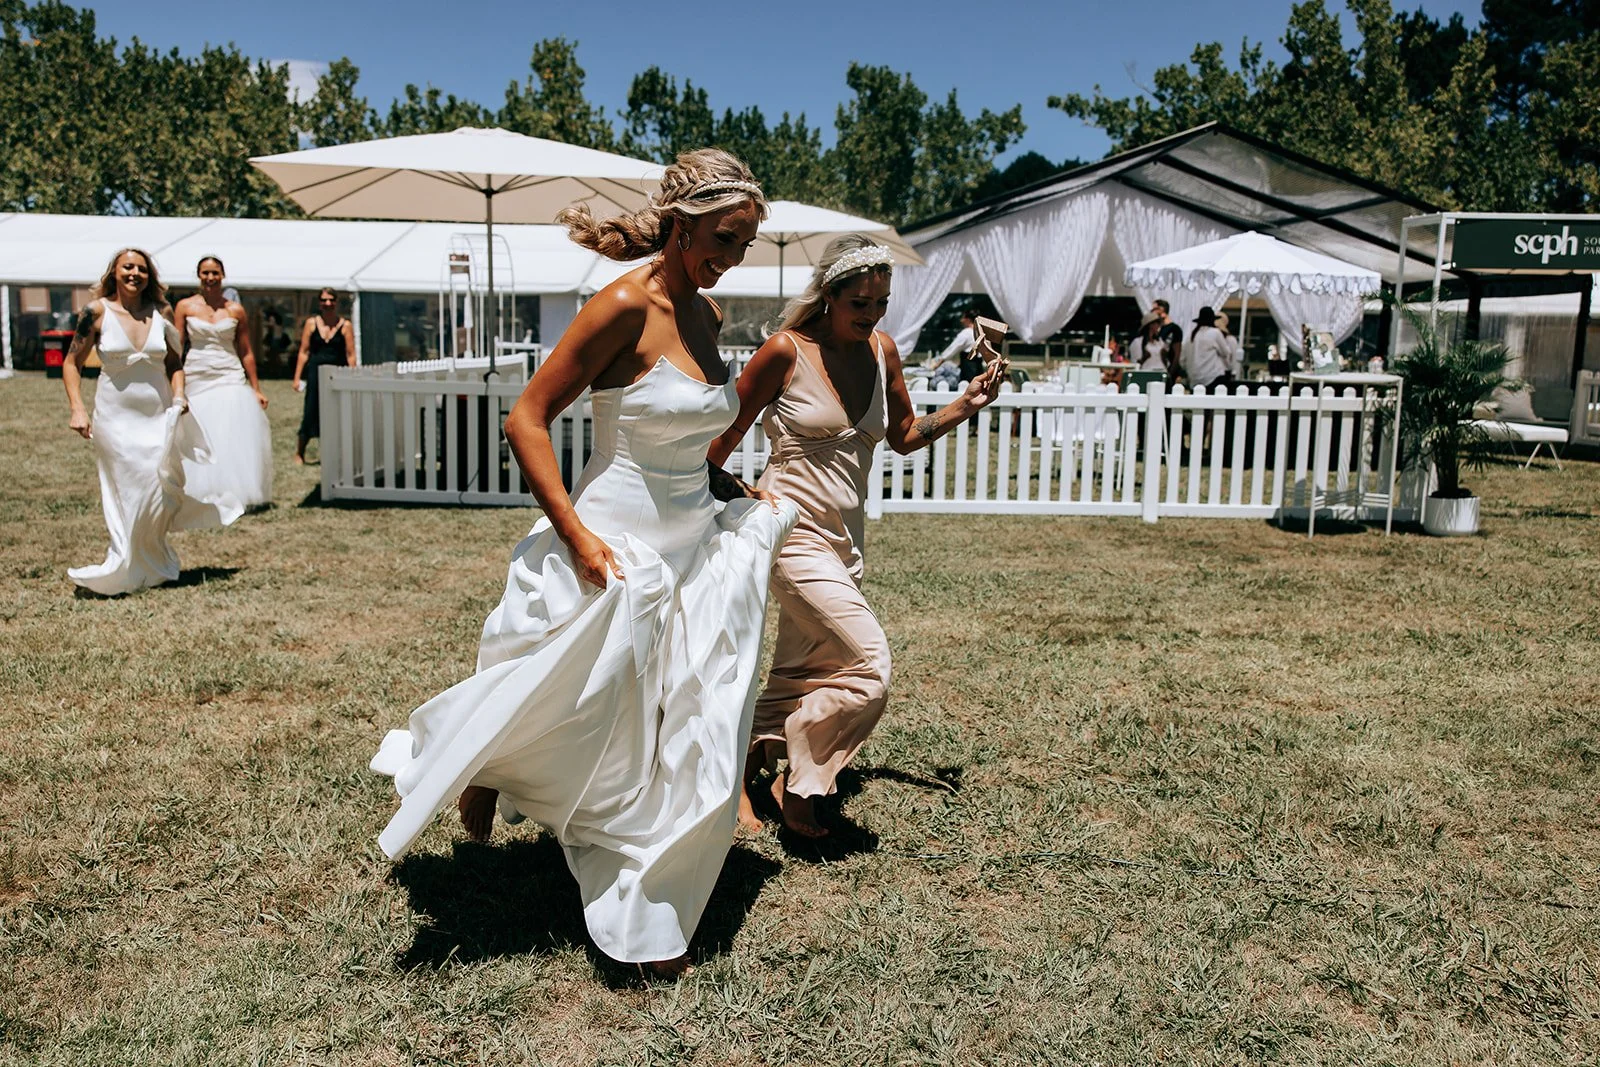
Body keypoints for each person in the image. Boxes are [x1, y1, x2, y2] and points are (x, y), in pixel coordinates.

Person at [369, 149, 799, 977]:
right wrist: (573, 534)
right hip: (613, 541)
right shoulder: (620, 307)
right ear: (680, 224)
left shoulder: (705, 317)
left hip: (690, 539)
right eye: (722, 236)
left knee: (678, 726)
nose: (731, 256)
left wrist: (719, 479)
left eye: (743, 243)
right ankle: (511, 789)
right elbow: (526, 419)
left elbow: (694, 431)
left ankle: (643, 882)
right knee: (595, 716)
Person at [707, 235, 1005, 839]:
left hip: (847, 539)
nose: (871, 315)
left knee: (800, 674)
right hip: (790, 532)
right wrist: (738, 491)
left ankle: (735, 772)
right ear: (828, 296)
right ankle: (800, 785)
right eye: (860, 304)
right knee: (869, 666)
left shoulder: (881, 351)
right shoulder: (784, 351)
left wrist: (966, 404)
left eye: (881, 303)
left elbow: (902, 434)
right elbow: (717, 439)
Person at [63, 248, 240, 595]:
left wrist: (179, 395)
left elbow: (175, 363)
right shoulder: (96, 312)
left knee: (156, 488)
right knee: (127, 490)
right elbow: (72, 362)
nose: (134, 274)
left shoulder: (162, 312)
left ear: (150, 276)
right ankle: (123, 562)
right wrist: (77, 408)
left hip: (158, 414)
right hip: (114, 416)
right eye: (127, 267)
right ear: (114, 271)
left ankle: (152, 561)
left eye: (141, 269)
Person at [173, 257, 272, 510]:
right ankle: (200, 490)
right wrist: (174, 383)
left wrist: (256, 387)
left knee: (231, 433)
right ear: (198, 276)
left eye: (215, 273)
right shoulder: (185, 307)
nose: (210, 278)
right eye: (205, 273)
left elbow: (246, 351)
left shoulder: (235, 310)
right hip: (197, 372)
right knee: (200, 432)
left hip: (229, 373)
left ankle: (233, 490)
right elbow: (176, 347)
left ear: (223, 275)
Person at [291, 288, 355, 464]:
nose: (328, 304)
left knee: (338, 413)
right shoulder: (311, 323)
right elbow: (304, 352)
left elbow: (350, 354)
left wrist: (353, 375)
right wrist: (297, 377)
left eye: (331, 300)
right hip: (315, 373)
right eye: (324, 300)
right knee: (311, 410)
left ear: (336, 302)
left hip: (338, 373)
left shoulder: (345, 325)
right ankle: (300, 452)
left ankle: (336, 453)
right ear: (319, 302)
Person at [927, 308, 979, 388]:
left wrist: (940, 361)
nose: (961, 320)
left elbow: (952, 349)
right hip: (978, 366)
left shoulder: (966, 333)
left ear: (968, 320)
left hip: (969, 368)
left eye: (963, 318)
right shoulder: (980, 332)